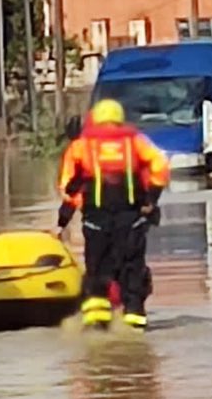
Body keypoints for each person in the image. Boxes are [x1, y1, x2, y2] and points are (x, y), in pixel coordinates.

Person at [54, 99, 169, 331]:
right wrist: (151, 198)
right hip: (131, 219)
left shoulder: (81, 146)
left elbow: (69, 186)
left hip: (96, 220)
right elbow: (160, 164)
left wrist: (65, 217)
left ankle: (96, 323)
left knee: (97, 269)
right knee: (132, 269)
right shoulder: (135, 141)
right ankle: (134, 319)